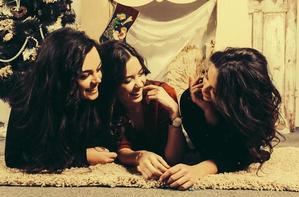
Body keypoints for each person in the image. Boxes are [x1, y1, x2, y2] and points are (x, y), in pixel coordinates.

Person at [159, 47, 282, 190]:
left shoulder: (251, 112)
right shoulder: (191, 99)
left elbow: (243, 154)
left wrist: (202, 169)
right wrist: (207, 111)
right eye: (206, 76)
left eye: (214, 90)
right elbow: (207, 151)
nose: (204, 89)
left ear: (236, 98)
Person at [5, 28, 117, 173]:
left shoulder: (97, 92)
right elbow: (14, 158)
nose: (97, 79)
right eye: (85, 75)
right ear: (62, 78)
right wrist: (81, 157)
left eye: (99, 69)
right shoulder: (27, 96)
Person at [99, 40, 186, 179]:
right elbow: (121, 149)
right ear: (112, 83)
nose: (139, 84)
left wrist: (174, 112)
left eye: (141, 73)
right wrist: (138, 156)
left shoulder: (164, 94)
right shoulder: (110, 104)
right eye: (128, 80)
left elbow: (173, 159)